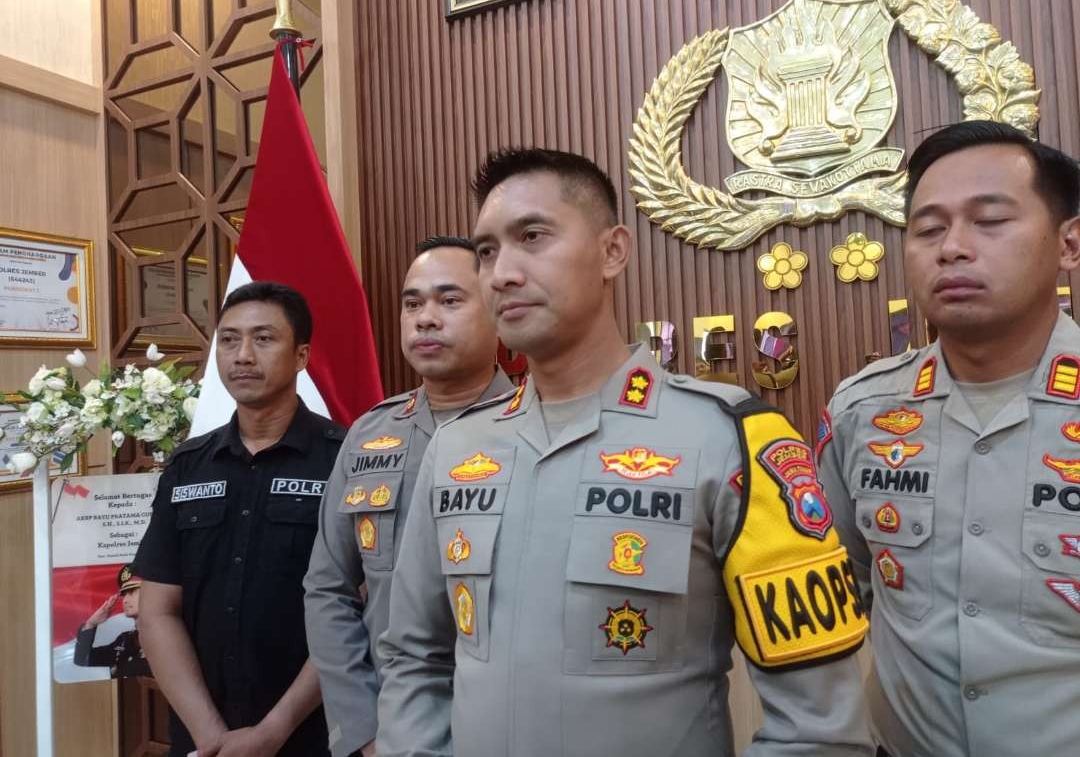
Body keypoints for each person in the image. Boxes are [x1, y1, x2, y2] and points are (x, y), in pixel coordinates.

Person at [376, 148, 873, 756]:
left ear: (613, 251)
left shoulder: (732, 437)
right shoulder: (457, 448)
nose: (502, 271)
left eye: (532, 236)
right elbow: (412, 656)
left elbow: (820, 725)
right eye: (487, 251)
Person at [817, 121, 1080, 757]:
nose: (953, 248)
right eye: (929, 229)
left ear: (1069, 244)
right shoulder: (863, 410)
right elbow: (832, 591)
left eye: (989, 221)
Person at [303, 236, 510, 757]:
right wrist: (365, 729)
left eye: (450, 300)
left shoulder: (536, 428)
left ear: (496, 309)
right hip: (389, 727)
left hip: (509, 724)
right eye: (412, 303)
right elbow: (328, 589)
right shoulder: (370, 434)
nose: (426, 318)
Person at [134, 281, 345, 757]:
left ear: (301, 356)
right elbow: (158, 610)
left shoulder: (345, 461)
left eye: (264, 339)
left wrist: (273, 731)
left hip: (314, 734)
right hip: (203, 738)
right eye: (229, 340)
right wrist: (210, 735)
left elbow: (358, 613)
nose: (242, 355)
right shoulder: (188, 465)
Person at [73, 563, 151, 678]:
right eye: (124, 595)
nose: (125, 600)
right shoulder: (125, 639)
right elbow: (82, 659)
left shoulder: (169, 638)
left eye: (132, 592)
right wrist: (91, 624)